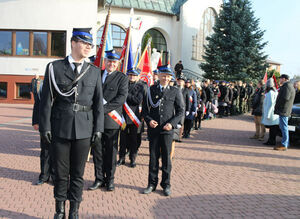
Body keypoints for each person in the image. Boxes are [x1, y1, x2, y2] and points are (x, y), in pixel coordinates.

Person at [39, 28, 104, 218]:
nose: (88, 47)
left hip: (84, 128)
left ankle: (74, 210)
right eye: (84, 43)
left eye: (90, 44)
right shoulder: (55, 68)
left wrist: (98, 129)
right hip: (60, 127)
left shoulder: (93, 71)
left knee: (78, 174)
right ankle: (59, 210)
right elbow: (46, 100)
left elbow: (98, 104)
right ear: (73, 43)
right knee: (60, 173)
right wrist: (45, 127)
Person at [89, 49, 128, 191]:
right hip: (96, 122)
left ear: (117, 64)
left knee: (111, 153)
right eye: (109, 61)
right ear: (105, 61)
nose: (111, 63)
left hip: (112, 121)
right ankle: (98, 179)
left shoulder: (122, 78)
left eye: (114, 61)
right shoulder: (97, 74)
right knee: (97, 152)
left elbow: (121, 98)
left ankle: (110, 180)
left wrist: (102, 110)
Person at [142, 64, 184, 196]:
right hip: (154, 130)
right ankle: (151, 184)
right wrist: (149, 120)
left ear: (170, 77)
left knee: (166, 158)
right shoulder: (151, 90)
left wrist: (171, 124)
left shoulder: (175, 91)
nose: (165, 78)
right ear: (158, 75)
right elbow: (144, 110)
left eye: (168, 76)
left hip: (167, 130)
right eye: (163, 75)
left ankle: (166, 184)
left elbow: (180, 110)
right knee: (153, 158)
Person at [117, 68, 144, 168]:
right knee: (122, 139)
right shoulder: (124, 84)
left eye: (133, 75)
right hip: (123, 116)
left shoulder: (140, 87)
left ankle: (132, 159)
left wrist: (126, 95)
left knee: (133, 139)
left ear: (137, 76)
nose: (131, 77)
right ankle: (121, 158)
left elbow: (137, 100)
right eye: (130, 75)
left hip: (133, 118)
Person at [32, 80, 55, 186]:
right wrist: (35, 121)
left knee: (57, 151)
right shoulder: (42, 85)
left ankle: (55, 176)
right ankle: (44, 176)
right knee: (45, 151)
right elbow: (37, 104)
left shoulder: (60, 84)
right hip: (44, 123)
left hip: (58, 123)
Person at [274, 74, 296, 151]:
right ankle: (286, 143)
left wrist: (278, 105)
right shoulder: (289, 85)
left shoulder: (287, 86)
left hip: (284, 110)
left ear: (284, 79)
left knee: (284, 127)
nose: (279, 80)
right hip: (285, 110)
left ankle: (284, 144)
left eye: (280, 79)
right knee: (284, 127)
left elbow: (285, 98)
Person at [261, 78, 280, 146]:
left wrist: (268, 114)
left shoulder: (270, 93)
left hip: (271, 113)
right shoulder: (274, 92)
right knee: (272, 128)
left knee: (273, 128)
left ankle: (272, 141)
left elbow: (270, 104)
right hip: (273, 113)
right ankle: (271, 140)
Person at [176, 77, 190, 142]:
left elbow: (188, 101)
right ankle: (174, 136)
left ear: (184, 83)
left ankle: (179, 137)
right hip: (175, 108)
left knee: (181, 123)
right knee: (175, 122)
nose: (180, 82)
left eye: (181, 81)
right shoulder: (175, 88)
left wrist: (188, 110)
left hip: (183, 108)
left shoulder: (186, 90)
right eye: (179, 81)